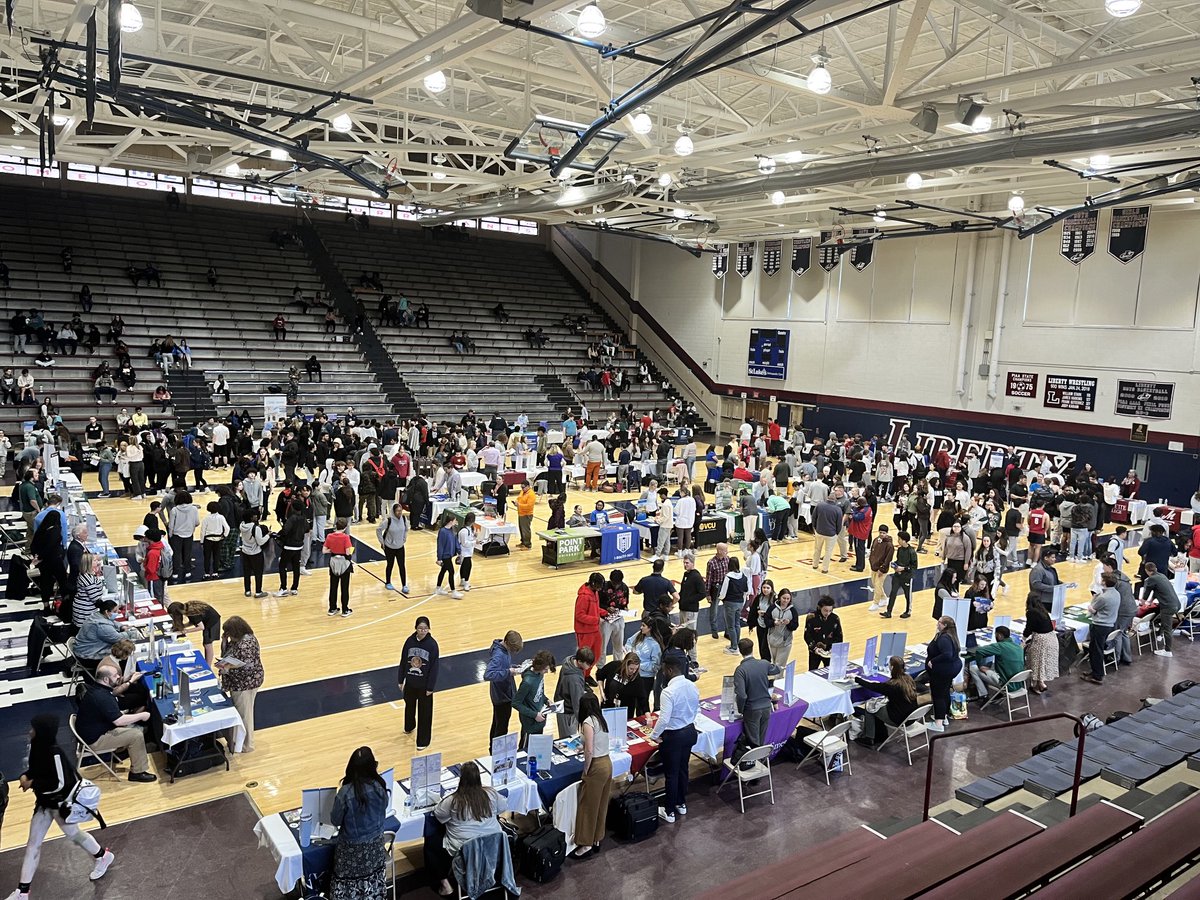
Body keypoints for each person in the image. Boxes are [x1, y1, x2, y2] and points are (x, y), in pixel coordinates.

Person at [6, 715, 116, 900]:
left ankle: (103, 857)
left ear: (42, 732)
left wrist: (32, 783)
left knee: (74, 835)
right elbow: (36, 770)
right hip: (44, 804)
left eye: (33, 728)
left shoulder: (54, 752)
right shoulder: (36, 747)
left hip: (60, 804)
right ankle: (22, 893)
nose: (30, 731)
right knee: (33, 845)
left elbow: (60, 783)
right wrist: (26, 776)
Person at [430, 762, 502, 897]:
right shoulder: (491, 793)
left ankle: (446, 886)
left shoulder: (452, 800)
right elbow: (502, 807)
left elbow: (438, 815)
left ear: (461, 779)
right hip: (492, 847)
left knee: (431, 842)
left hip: (464, 850)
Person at [76, 666, 157, 782]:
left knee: (132, 729)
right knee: (136, 735)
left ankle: (123, 751)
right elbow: (118, 721)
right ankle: (137, 772)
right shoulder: (102, 697)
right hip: (95, 739)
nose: (119, 677)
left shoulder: (97, 689)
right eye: (115, 676)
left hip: (93, 731)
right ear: (106, 679)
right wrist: (142, 715)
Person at [329, 747, 390, 900]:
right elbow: (384, 806)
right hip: (375, 851)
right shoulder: (379, 786)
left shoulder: (345, 792)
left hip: (351, 855)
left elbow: (335, 820)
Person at [648, 658, 699, 824]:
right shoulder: (692, 685)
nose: (663, 673)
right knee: (683, 769)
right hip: (689, 732)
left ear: (669, 670)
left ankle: (669, 811)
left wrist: (653, 736)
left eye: (664, 670)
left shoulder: (668, 692)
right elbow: (695, 708)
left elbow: (663, 719)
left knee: (671, 774)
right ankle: (681, 803)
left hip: (674, 736)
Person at [571, 693, 613, 859]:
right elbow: (596, 742)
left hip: (596, 766)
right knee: (601, 804)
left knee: (588, 806)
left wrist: (587, 769)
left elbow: (589, 750)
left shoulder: (588, 722)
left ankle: (586, 844)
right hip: (607, 763)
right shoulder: (600, 719)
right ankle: (596, 838)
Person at [215, 616, 264, 753]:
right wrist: (224, 641)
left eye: (228, 633)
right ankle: (239, 741)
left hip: (246, 683)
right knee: (242, 713)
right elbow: (226, 655)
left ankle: (247, 745)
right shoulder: (240, 639)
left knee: (244, 715)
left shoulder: (245, 644)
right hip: (241, 682)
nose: (227, 636)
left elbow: (246, 667)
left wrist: (227, 668)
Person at [853, 656, 919, 747]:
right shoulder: (908, 679)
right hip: (912, 716)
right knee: (879, 705)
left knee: (870, 708)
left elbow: (873, 687)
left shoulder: (893, 685)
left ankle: (869, 738)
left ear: (892, 667)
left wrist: (857, 679)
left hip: (899, 718)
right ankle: (881, 734)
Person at [733, 638, 780, 762]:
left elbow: (741, 695)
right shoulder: (763, 663)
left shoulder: (740, 670)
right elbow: (776, 669)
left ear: (740, 651)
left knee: (754, 743)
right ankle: (761, 765)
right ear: (752, 649)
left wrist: (741, 710)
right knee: (761, 739)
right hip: (766, 707)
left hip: (752, 709)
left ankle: (755, 768)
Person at [398, 616, 439, 751]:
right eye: (420, 628)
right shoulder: (409, 641)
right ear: (415, 628)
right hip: (410, 683)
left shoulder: (432, 645)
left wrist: (430, 687)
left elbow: (434, 668)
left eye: (425, 628)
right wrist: (400, 679)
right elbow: (403, 661)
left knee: (425, 713)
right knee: (409, 706)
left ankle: (423, 741)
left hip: (424, 686)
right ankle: (409, 726)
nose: (423, 631)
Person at [1080, 572, 1121, 684]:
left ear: (1104, 582)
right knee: (1095, 649)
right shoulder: (1116, 593)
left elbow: (1092, 609)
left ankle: (1097, 675)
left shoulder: (1103, 597)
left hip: (1100, 626)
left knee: (1096, 651)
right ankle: (1095, 671)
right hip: (1109, 625)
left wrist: (1093, 601)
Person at [964, 625, 1024, 700]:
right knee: (991, 666)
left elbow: (979, 651)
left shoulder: (1000, 646)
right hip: (1019, 683)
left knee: (973, 668)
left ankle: (983, 694)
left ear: (999, 635)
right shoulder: (1019, 647)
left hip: (1006, 684)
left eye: (996, 635)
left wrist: (980, 666)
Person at [484, 630, 523, 740]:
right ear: (506, 642)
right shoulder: (499, 655)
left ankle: (492, 747)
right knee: (501, 727)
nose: (512, 652)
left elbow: (503, 666)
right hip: (502, 696)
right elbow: (488, 675)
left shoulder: (502, 649)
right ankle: (496, 749)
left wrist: (514, 667)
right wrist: (508, 672)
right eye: (512, 649)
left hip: (501, 693)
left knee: (497, 723)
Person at [925, 616, 962, 731]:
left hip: (943, 671)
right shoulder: (951, 635)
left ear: (945, 625)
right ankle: (944, 716)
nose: (937, 624)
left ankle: (938, 723)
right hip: (951, 669)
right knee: (945, 692)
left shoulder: (944, 638)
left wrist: (932, 661)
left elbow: (947, 654)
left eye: (939, 622)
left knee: (938, 695)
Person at [513, 650, 555, 749]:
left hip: (539, 720)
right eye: (545, 669)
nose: (546, 672)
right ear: (539, 667)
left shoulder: (540, 674)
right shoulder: (527, 682)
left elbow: (539, 692)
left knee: (537, 749)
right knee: (525, 751)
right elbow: (515, 703)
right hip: (529, 724)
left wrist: (546, 700)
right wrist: (534, 715)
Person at [1141, 562, 1181, 658]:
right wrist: (1150, 601)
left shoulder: (1151, 579)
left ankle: (1168, 650)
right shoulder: (1162, 576)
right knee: (1164, 620)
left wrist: (1143, 601)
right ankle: (1160, 635)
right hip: (1176, 604)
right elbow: (1156, 591)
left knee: (1167, 628)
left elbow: (1147, 592)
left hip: (1168, 606)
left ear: (1146, 571)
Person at [1022, 593, 1058, 693]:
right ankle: (1041, 682)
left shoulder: (1031, 612)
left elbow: (1029, 628)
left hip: (1041, 640)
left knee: (1035, 661)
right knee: (1043, 662)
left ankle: (1035, 684)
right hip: (1051, 638)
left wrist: (1023, 639)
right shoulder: (1043, 611)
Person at [554, 646, 593, 737]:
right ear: (579, 661)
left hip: (562, 703)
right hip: (568, 712)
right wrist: (582, 721)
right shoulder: (574, 679)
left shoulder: (568, 661)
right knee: (569, 739)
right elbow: (577, 703)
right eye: (587, 664)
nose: (589, 666)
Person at [168, 599, 221, 666]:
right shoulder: (186, 608)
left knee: (207, 644)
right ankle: (207, 663)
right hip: (209, 619)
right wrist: (184, 626)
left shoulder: (192, 613)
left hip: (212, 621)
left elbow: (201, 627)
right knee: (206, 644)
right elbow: (194, 622)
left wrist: (186, 631)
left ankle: (208, 665)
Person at [377, 503, 411, 594]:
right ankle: (388, 582)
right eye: (397, 511)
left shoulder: (404, 519)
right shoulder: (388, 521)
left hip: (400, 547)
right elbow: (378, 530)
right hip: (389, 547)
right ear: (393, 511)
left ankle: (404, 585)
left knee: (402, 566)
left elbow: (406, 529)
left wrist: (404, 538)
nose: (399, 512)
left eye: (400, 511)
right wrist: (382, 542)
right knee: (390, 564)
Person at [718, 557, 749, 655]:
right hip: (740, 603)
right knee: (737, 624)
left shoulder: (728, 577)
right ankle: (736, 644)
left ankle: (734, 647)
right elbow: (746, 590)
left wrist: (720, 598)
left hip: (730, 603)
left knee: (730, 626)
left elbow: (723, 592)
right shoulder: (743, 576)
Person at [324, 517, 355, 617]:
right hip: (343, 563)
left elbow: (324, 551)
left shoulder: (329, 536)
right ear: (345, 527)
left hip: (333, 562)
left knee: (333, 586)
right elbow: (348, 552)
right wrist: (351, 551)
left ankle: (332, 608)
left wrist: (333, 550)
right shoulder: (346, 537)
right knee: (344, 587)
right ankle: (345, 609)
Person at [574, 573, 604, 674]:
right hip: (584, 631)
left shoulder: (595, 592)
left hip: (595, 629)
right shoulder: (583, 597)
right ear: (593, 583)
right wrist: (596, 620)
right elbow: (579, 615)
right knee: (584, 657)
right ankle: (580, 677)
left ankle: (586, 675)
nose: (600, 588)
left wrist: (605, 612)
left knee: (596, 655)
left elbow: (594, 609)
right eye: (599, 585)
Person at [598, 570, 630, 663]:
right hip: (605, 620)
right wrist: (607, 608)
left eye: (618, 584)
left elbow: (625, 603)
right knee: (602, 646)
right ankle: (601, 666)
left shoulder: (624, 588)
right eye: (614, 583)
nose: (616, 586)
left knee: (619, 645)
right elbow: (597, 603)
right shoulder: (603, 588)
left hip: (619, 618)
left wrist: (626, 608)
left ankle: (618, 664)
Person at [803, 596, 843, 670]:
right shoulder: (811, 617)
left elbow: (839, 636)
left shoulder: (835, 618)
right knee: (812, 672)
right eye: (825, 610)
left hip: (829, 652)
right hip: (815, 652)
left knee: (830, 671)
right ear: (819, 607)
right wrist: (814, 648)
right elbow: (807, 636)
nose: (827, 613)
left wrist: (833, 649)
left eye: (830, 611)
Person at [767, 588, 799, 667]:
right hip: (772, 641)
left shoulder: (793, 611)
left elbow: (795, 626)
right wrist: (773, 622)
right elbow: (766, 621)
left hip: (785, 642)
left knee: (780, 665)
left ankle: (779, 675)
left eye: (788, 599)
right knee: (773, 663)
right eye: (784, 598)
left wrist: (789, 623)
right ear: (779, 597)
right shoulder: (772, 608)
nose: (786, 600)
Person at [867, 525, 895, 612]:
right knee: (875, 584)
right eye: (880, 532)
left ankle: (875, 603)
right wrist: (871, 561)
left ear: (887, 533)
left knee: (878, 585)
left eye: (884, 533)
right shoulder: (876, 540)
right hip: (874, 566)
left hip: (882, 569)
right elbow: (872, 551)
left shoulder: (889, 545)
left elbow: (888, 559)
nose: (882, 534)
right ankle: (884, 598)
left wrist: (882, 569)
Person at [516, 480, 535, 550]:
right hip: (521, 513)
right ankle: (523, 542)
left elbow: (529, 506)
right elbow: (519, 498)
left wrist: (519, 505)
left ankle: (527, 545)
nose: (522, 489)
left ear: (528, 486)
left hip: (527, 514)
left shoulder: (531, 494)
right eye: (521, 487)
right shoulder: (522, 491)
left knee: (526, 530)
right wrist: (516, 501)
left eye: (523, 487)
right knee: (521, 529)